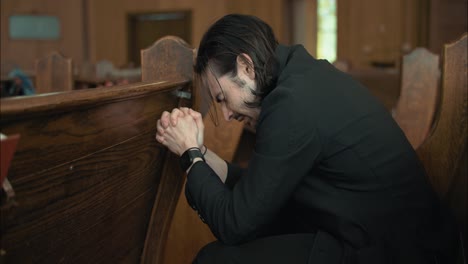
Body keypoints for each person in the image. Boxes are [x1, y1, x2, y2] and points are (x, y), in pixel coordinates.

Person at [156, 14, 459, 264]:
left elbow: (233, 225)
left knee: (214, 260)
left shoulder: (292, 104)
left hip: (396, 250)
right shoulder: (298, 77)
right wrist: (201, 152)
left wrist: (189, 155)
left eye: (222, 98)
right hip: (379, 232)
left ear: (246, 67)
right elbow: (260, 190)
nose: (225, 115)